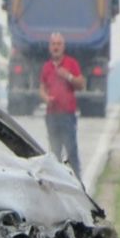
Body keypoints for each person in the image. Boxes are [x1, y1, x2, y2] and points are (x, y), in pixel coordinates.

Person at [40, 32, 85, 177]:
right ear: (49, 47)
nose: (56, 47)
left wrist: (68, 76)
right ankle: (56, 182)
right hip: (52, 115)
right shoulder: (46, 67)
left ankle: (78, 183)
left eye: (59, 44)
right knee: (54, 153)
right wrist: (46, 98)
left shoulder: (71, 64)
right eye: (53, 44)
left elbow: (81, 84)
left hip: (67, 115)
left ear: (63, 47)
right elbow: (42, 88)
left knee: (71, 151)